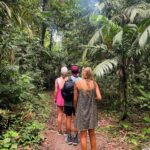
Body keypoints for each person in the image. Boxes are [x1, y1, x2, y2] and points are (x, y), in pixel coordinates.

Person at [74, 67, 102, 150]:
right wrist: (93, 99)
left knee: (83, 135)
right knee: (92, 133)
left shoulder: (77, 83)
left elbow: (75, 99)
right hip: (92, 111)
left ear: (83, 73)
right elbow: (99, 97)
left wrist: (76, 109)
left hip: (81, 110)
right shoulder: (94, 83)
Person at [62, 65, 81, 145]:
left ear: (71, 72)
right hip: (78, 104)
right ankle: (76, 138)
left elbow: (62, 90)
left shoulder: (67, 79)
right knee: (76, 119)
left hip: (68, 103)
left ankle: (69, 137)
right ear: (78, 71)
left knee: (68, 119)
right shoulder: (81, 80)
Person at [54, 66, 68, 135]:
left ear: (61, 72)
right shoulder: (68, 79)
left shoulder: (57, 80)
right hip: (66, 98)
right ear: (67, 72)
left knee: (60, 114)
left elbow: (56, 90)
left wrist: (55, 98)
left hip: (59, 97)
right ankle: (66, 131)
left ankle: (59, 131)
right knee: (66, 115)